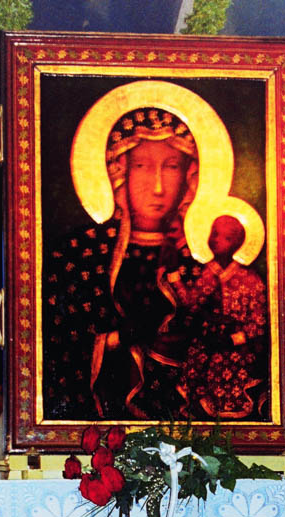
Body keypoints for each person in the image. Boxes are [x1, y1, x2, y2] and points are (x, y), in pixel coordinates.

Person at [44, 107, 201, 420]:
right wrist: (118, 340)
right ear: (120, 172)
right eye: (142, 166)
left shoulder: (193, 262)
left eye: (171, 167)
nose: (158, 186)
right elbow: (58, 344)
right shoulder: (82, 253)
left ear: (188, 176)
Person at [168, 214, 268, 419]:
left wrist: (231, 340)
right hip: (205, 344)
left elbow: (258, 323)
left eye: (226, 237)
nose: (216, 240)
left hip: (234, 350)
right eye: (214, 233)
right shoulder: (207, 273)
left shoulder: (250, 279)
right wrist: (173, 275)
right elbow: (191, 303)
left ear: (237, 243)